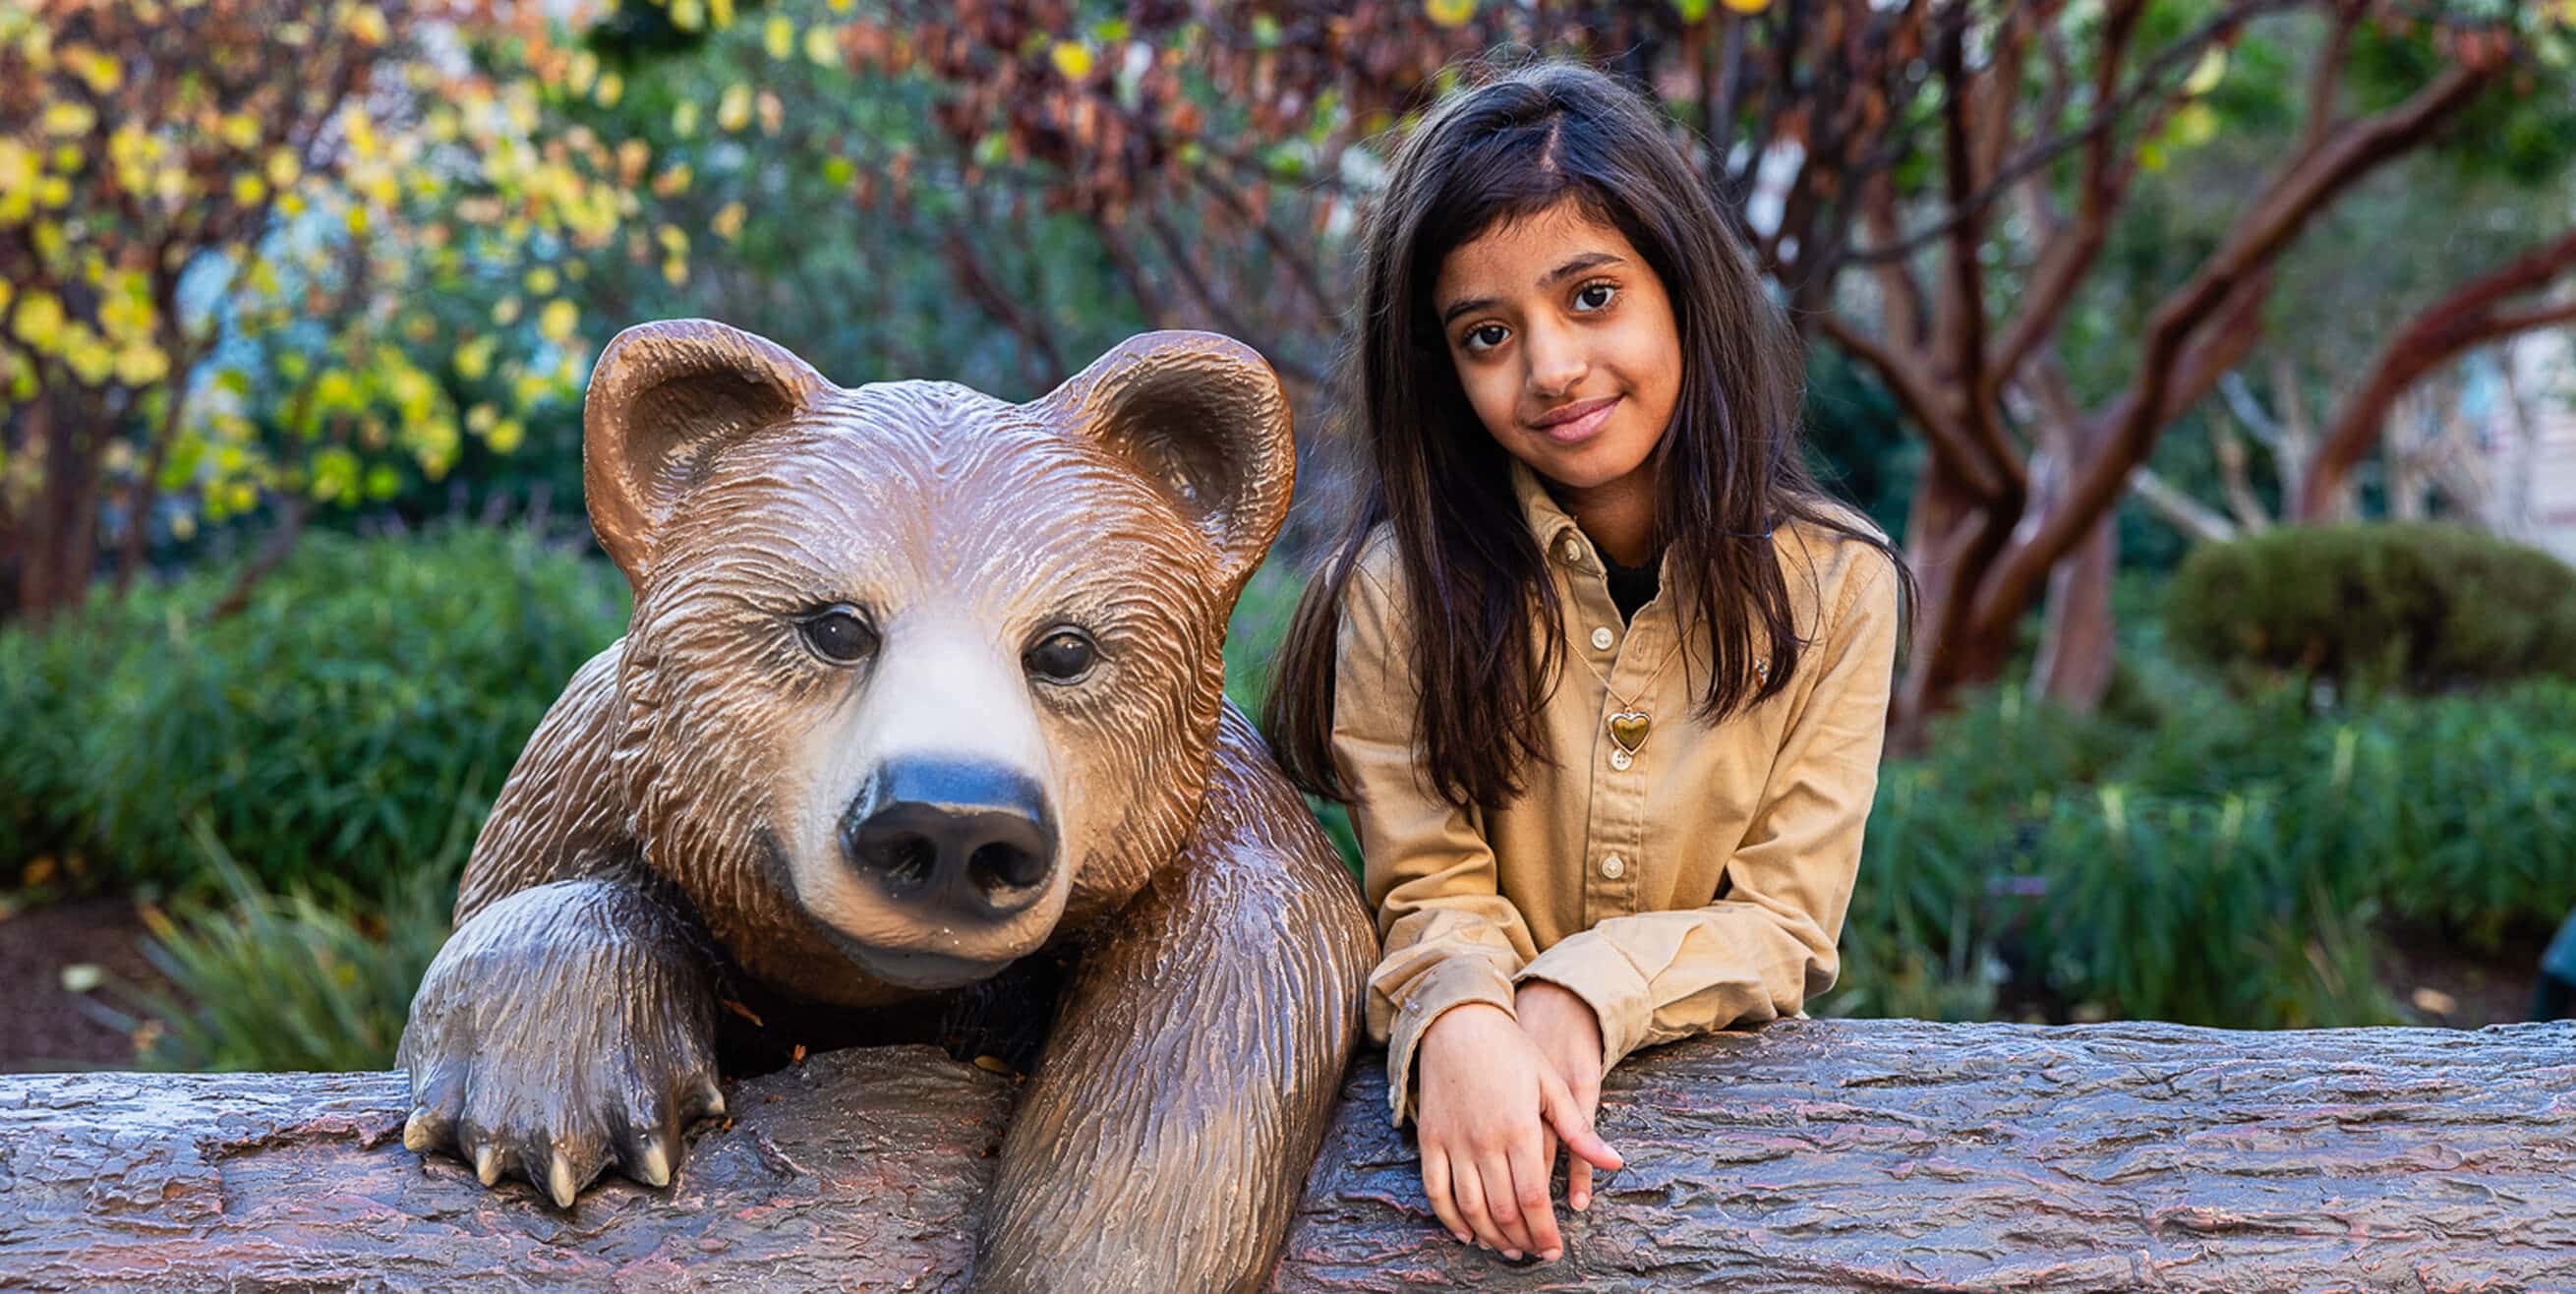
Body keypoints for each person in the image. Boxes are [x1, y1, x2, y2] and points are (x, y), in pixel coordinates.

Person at [1264, 59, 1912, 1265]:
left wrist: (1579, 991)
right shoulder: (1403, 592)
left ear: (1683, 291)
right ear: (1441, 368)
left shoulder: (1837, 586)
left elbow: (1781, 919)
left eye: (1593, 295)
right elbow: (1427, 885)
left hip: (1734, 1165)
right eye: (1487, 333)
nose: (1550, 366)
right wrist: (1460, 1017)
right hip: (1448, 1160)